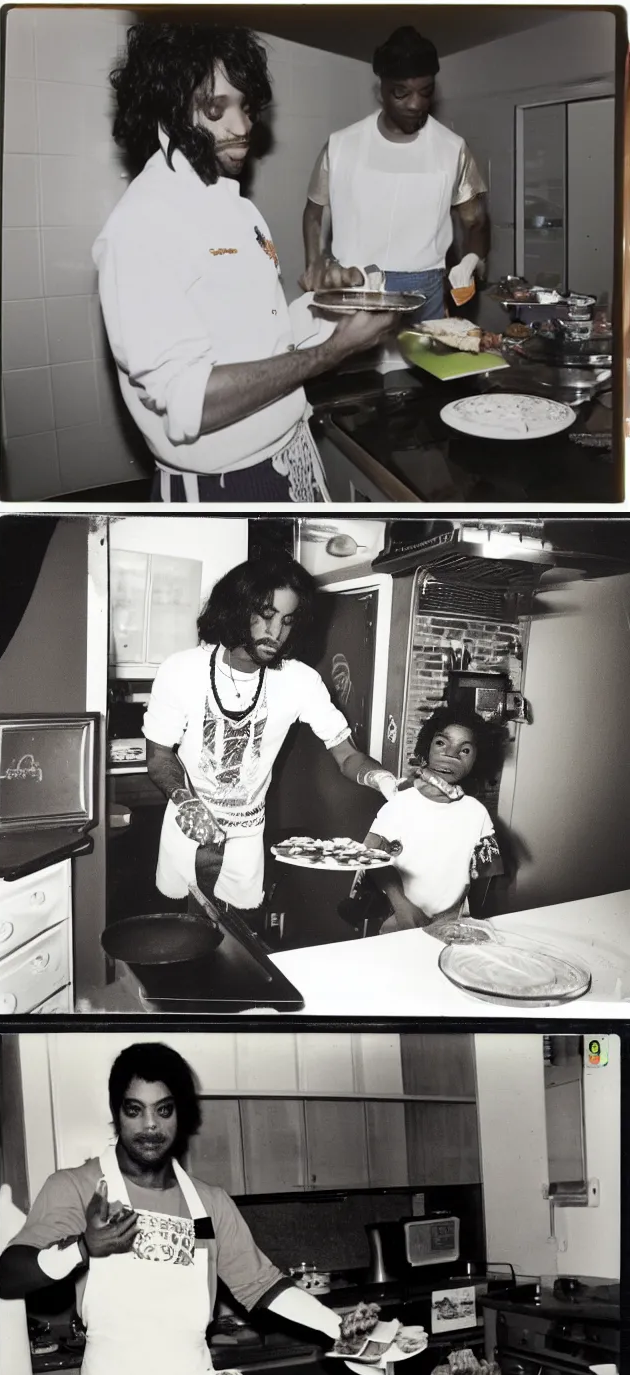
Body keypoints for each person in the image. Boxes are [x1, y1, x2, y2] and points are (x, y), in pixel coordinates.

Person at [0, 1043, 355, 1375]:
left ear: (180, 1115)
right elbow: (9, 1276)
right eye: (135, 1110)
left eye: (163, 1111)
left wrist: (339, 1328)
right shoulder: (76, 1186)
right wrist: (82, 1248)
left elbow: (262, 1284)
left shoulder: (209, 1203)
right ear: (117, 1113)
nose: (150, 1126)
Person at [94, 23, 400, 502]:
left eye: (246, 106)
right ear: (168, 110)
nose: (242, 127)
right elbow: (189, 399)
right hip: (224, 487)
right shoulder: (141, 226)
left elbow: (263, 336)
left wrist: (331, 303)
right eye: (216, 109)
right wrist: (331, 352)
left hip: (292, 455)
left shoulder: (236, 204)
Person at [143, 549, 405, 919]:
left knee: (238, 943)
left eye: (287, 621)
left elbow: (346, 755)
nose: (276, 633)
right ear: (236, 610)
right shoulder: (182, 670)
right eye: (266, 617)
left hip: (247, 840)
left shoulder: (299, 681)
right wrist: (185, 801)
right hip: (187, 832)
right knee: (184, 934)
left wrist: (380, 777)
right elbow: (158, 755)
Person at [300, 26, 488, 323]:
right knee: (353, 368)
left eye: (425, 92)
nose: (415, 104)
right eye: (401, 93)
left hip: (424, 292)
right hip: (355, 287)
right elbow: (313, 213)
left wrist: (470, 261)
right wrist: (314, 264)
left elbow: (475, 221)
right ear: (382, 89)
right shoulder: (342, 145)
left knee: (419, 368)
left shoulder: (452, 149)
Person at [362, 703, 504, 931]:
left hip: (452, 925)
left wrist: (470, 920)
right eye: (441, 743)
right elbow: (368, 858)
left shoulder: (477, 813)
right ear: (426, 747)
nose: (450, 755)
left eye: (464, 750)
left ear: (478, 759)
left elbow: (486, 877)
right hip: (398, 920)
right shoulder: (400, 803)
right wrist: (401, 906)